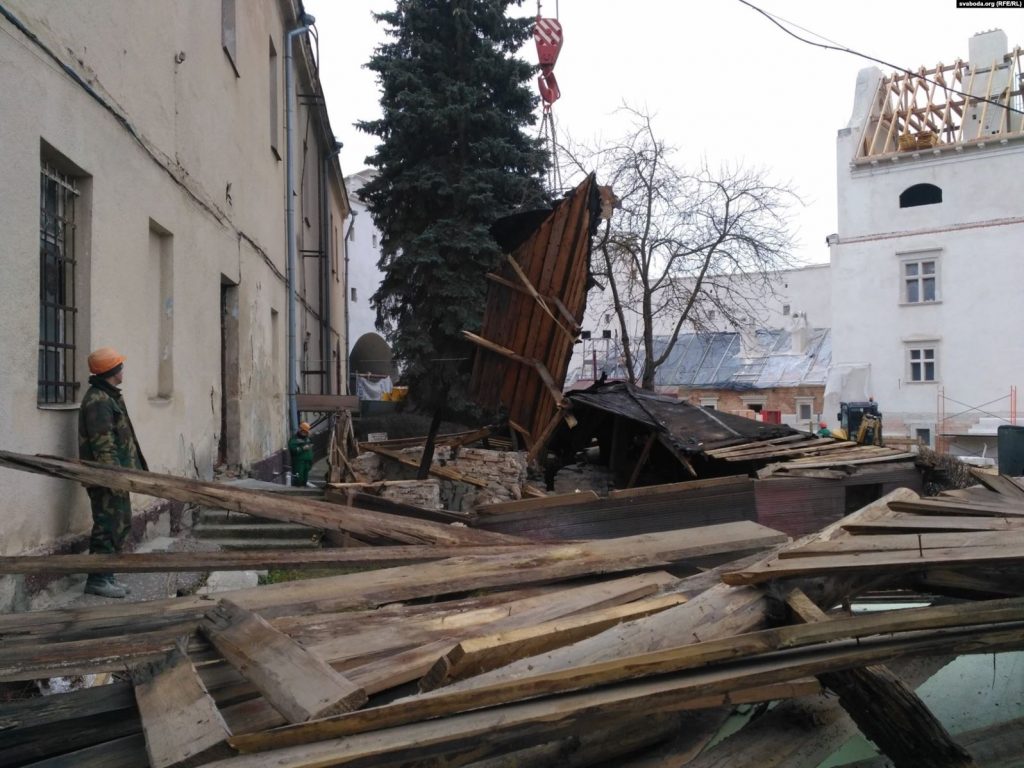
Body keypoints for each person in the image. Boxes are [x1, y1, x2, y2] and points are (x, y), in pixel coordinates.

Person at [78, 347, 147, 598]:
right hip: (107, 479)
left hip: (117, 478)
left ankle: (106, 574)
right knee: (107, 526)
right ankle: (97, 579)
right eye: (121, 366)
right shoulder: (98, 400)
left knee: (119, 524)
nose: (123, 370)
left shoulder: (108, 396)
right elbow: (103, 444)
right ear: (112, 370)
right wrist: (114, 480)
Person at [289, 422, 314, 487]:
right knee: (299, 478)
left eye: (306, 432)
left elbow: (311, 446)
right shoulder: (295, 439)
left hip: (307, 462)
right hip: (299, 462)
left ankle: (303, 488)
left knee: (305, 478)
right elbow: (293, 450)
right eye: (304, 432)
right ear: (300, 430)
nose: (305, 433)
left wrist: (311, 461)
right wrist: (302, 448)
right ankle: (297, 490)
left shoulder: (307, 438)